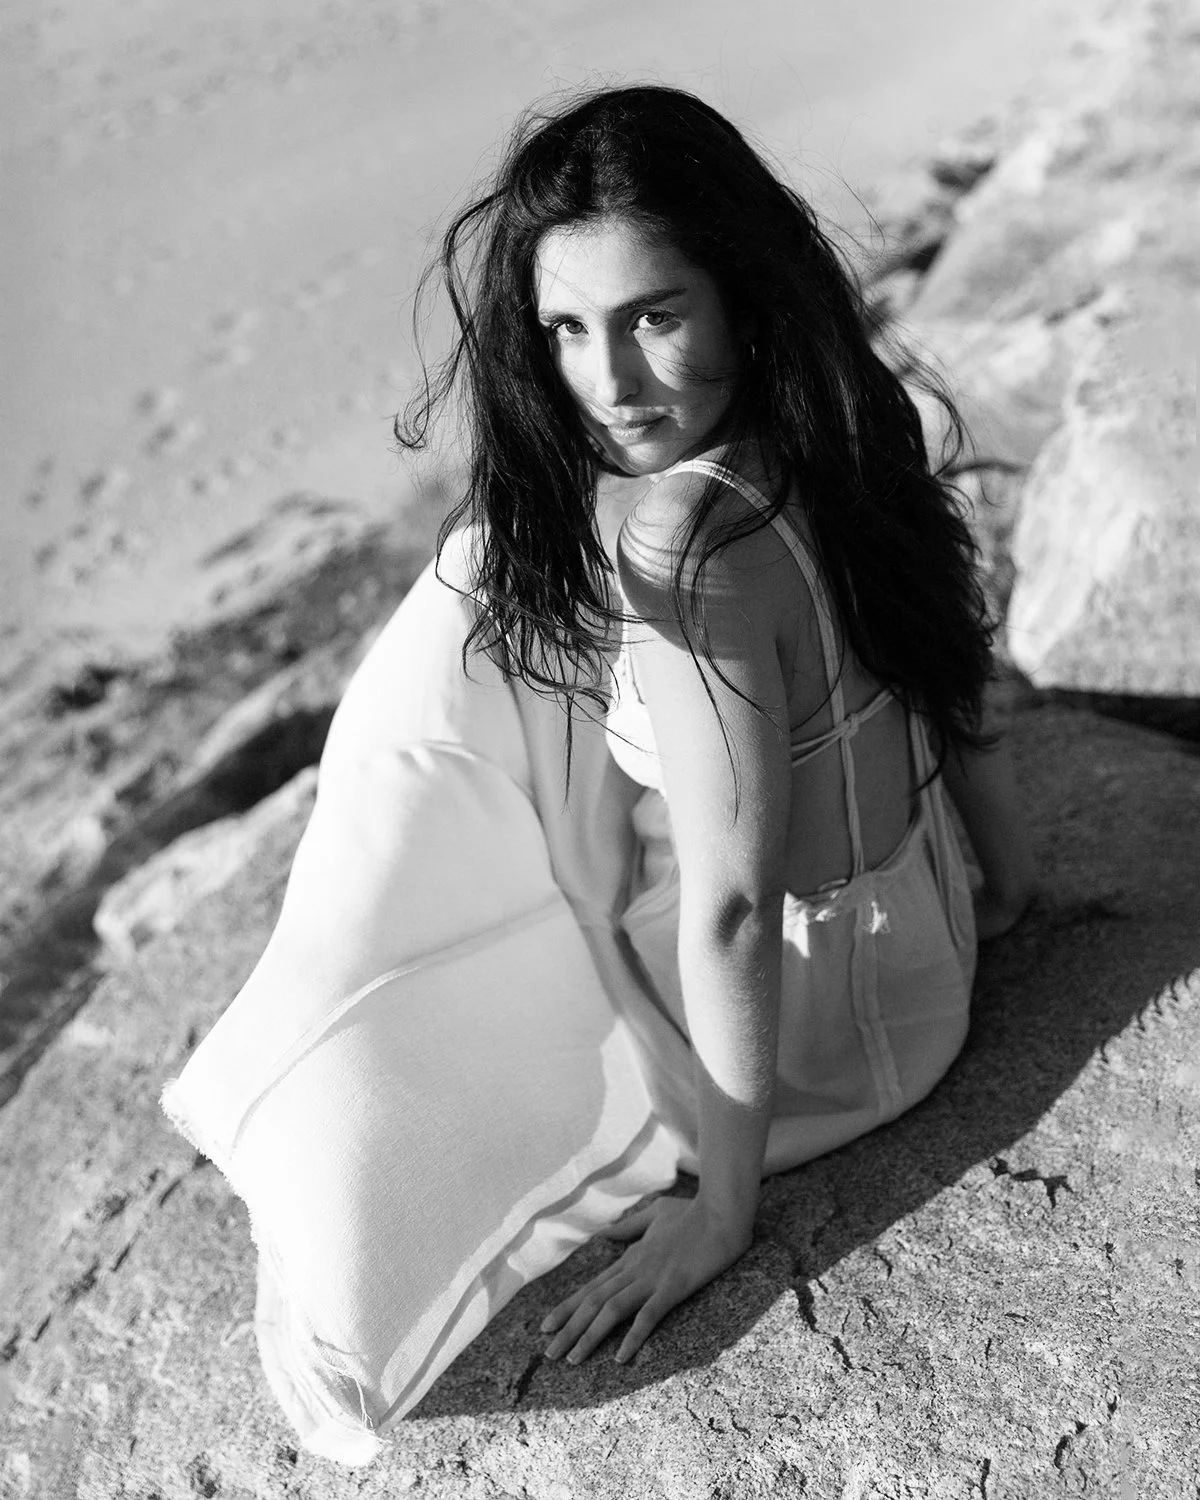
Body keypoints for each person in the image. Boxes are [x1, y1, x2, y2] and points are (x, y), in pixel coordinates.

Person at [163, 84, 1036, 1462]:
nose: (608, 382)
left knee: (452, 910)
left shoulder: (685, 553)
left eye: (654, 316)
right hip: (911, 936)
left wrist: (724, 1204)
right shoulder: (839, 429)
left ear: (743, 296)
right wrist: (1004, 886)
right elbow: (957, 667)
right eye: (566, 330)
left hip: (821, 1052)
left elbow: (737, 907)